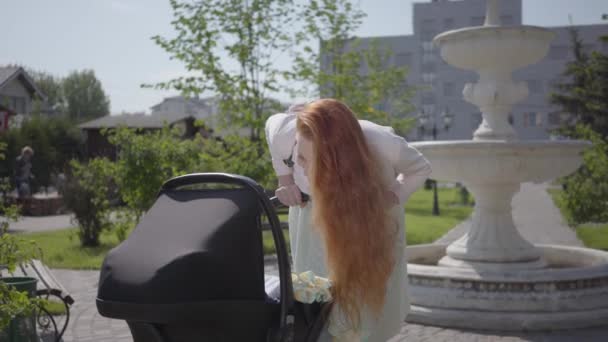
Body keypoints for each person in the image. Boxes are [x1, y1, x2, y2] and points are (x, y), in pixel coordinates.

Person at [265, 99, 431, 341]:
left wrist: (394, 195)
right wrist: (285, 181)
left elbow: (420, 167)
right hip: (311, 216)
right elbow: (275, 145)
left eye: (312, 161)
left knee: (366, 293)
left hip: (368, 216)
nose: (301, 166)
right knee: (317, 293)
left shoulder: (380, 141)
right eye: (298, 156)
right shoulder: (284, 132)